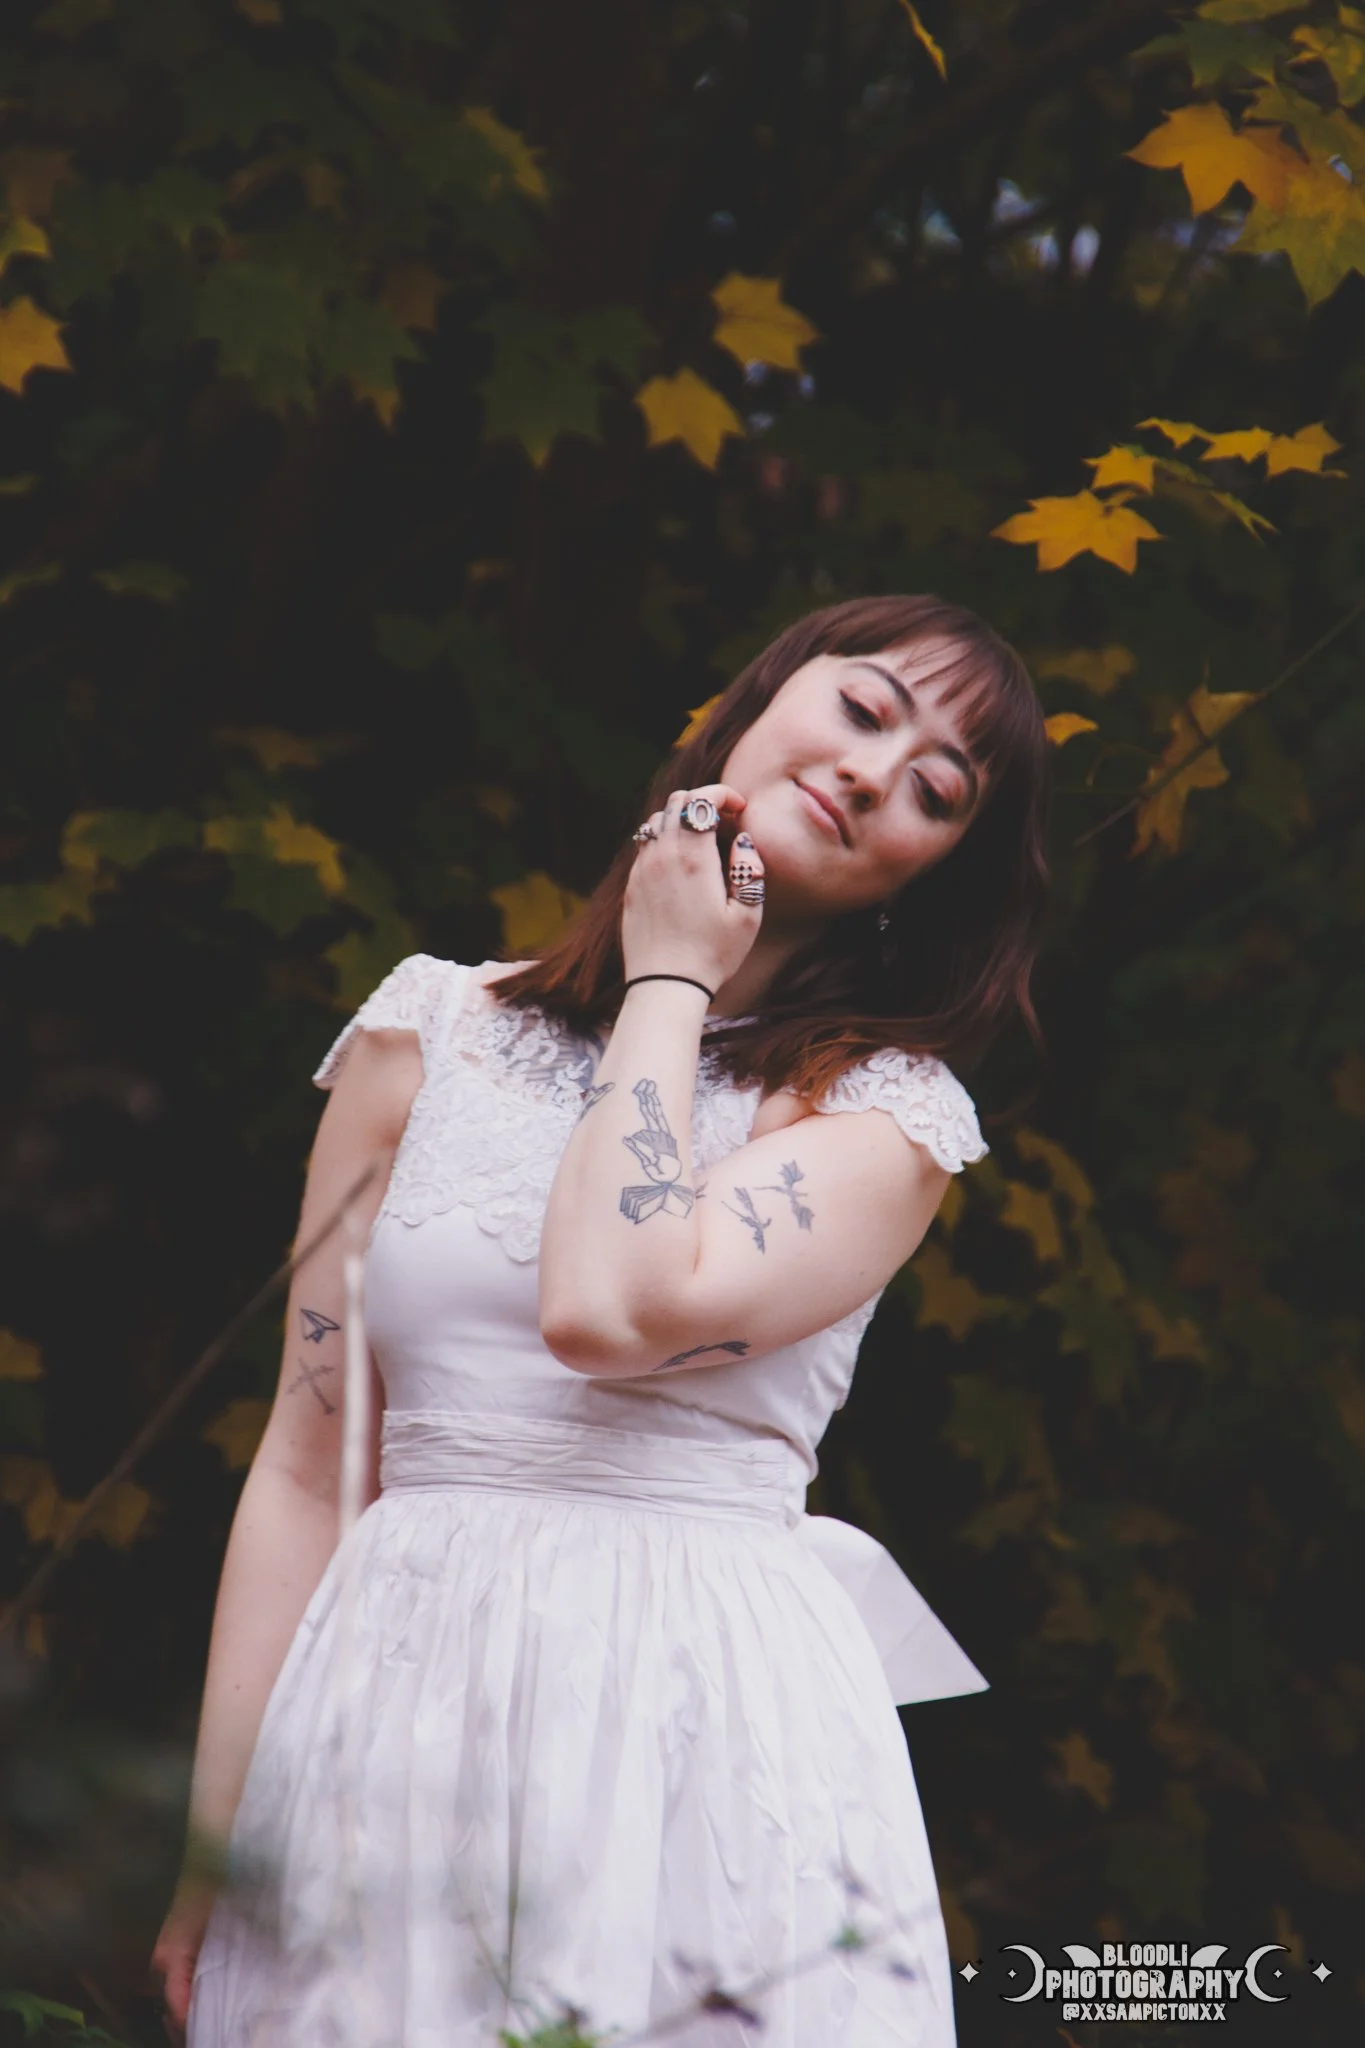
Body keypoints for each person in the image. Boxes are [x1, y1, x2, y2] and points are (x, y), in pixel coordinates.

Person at [153, 593, 1048, 2047]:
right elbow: (309, 1469)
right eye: (868, 711)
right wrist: (217, 1861)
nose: (880, 773)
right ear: (754, 707)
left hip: (696, 1721)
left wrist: (674, 979)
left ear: (926, 873)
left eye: (938, 791)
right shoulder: (426, 1035)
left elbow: (612, 1309)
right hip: (401, 1697)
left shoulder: (884, 1118)